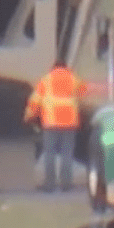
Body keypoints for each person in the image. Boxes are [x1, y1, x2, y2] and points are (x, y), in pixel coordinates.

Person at [24, 57, 86, 192]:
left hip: (51, 122)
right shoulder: (73, 79)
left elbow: (35, 101)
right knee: (67, 154)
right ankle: (66, 185)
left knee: (49, 153)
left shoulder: (46, 80)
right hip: (70, 122)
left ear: (53, 68)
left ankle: (50, 184)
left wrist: (29, 116)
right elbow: (83, 93)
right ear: (66, 67)